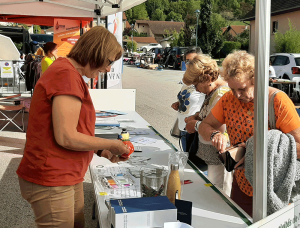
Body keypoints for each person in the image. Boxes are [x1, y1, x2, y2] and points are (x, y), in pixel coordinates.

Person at [16, 26, 130, 228]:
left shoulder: (68, 73)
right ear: (97, 53)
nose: (109, 69)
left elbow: (70, 128)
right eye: (110, 62)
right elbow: (66, 136)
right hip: (52, 177)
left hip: (65, 175)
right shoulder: (66, 75)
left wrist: (98, 148)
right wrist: (112, 144)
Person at [198, 50, 300, 216]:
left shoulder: (277, 101)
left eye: (242, 89)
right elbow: (205, 126)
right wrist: (214, 135)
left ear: (256, 81)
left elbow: (298, 147)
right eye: (232, 89)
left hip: (274, 187)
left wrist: (258, 150)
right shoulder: (228, 100)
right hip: (242, 183)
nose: (237, 95)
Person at [183, 54, 232, 196]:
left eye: (196, 84)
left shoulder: (220, 95)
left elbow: (219, 129)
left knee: (219, 196)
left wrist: (195, 124)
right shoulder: (214, 92)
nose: (196, 89)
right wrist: (198, 115)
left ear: (207, 78)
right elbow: (210, 114)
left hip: (221, 160)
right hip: (214, 159)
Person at [171, 47, 205, 152]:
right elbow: (189, 97)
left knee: (195, 166)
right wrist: (179, 103)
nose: (189, 64)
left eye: (193, 61)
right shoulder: (187, 80)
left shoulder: (205, 80)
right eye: (187, 61)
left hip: (195, 130)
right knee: (186, 161)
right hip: (183, 128)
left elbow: (209, 106)